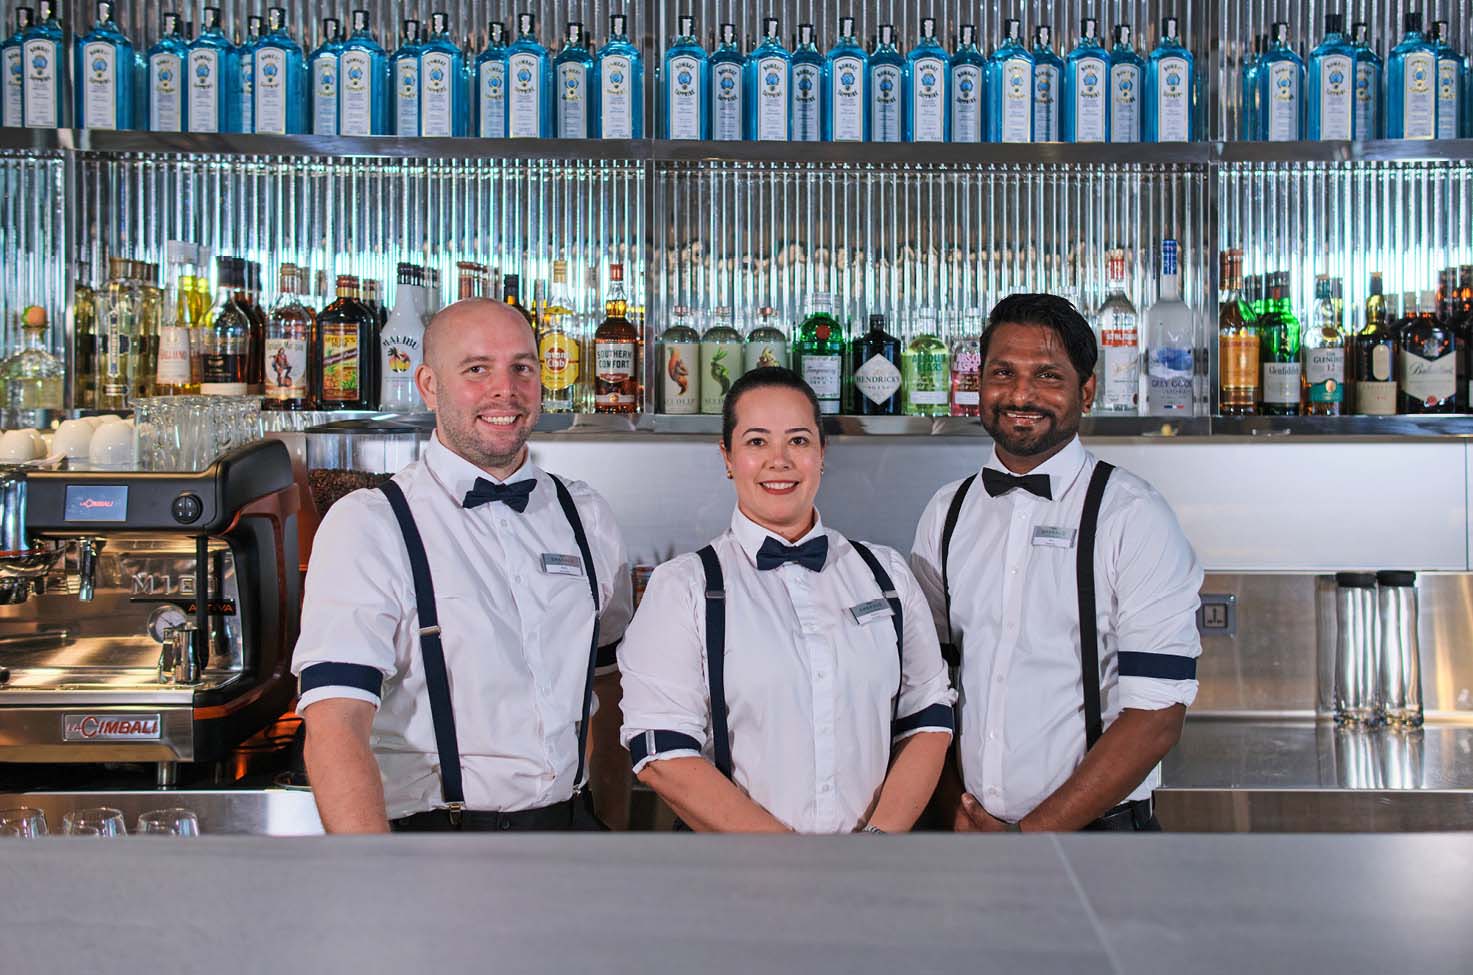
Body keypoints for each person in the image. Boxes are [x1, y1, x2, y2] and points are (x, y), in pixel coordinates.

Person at [293, 297, 633, 833]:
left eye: (522, 367)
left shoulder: (586, 515)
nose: (506, 390)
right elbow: (335, 726)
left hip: (572, 834)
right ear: (429, 386)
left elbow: (609, 686)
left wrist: (612, 828)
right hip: (437, 842)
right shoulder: (370, 525)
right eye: (477, 369)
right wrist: (373, 877)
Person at [911, 293, 1203, 832]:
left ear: (1086, 391)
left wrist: (1027, 840)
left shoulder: (1133, 517)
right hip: (971, 836)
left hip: (1100, 841)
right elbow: (926, 689)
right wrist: (957, 810)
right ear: (980, 383)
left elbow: (1157, 716)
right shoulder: (945, 513)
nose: (1020, 393)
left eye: (1047, 375)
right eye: (1002, 371)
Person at [618, 367, 955, 833]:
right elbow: (662, 752)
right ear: (728, 457)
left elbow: (929, 716)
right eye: (757, 442)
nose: (779, 460)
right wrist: (791, 863)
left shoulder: (887, 574)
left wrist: (876, 844)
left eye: (797, 441)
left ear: (822, 454)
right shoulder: (683, 588)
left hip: (875, 868)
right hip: (739, 877)